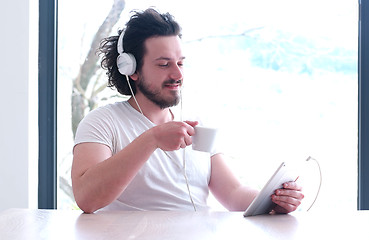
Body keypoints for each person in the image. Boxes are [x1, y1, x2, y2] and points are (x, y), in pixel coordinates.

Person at [71, 7, 304, 214]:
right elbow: (87, 199)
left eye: (180, 63)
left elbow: (234, 193)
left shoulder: (196, 123)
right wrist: (151, 139)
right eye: (164, 64)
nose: (178, 75)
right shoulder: (102, 122)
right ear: (131, 68)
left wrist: (272, 202)